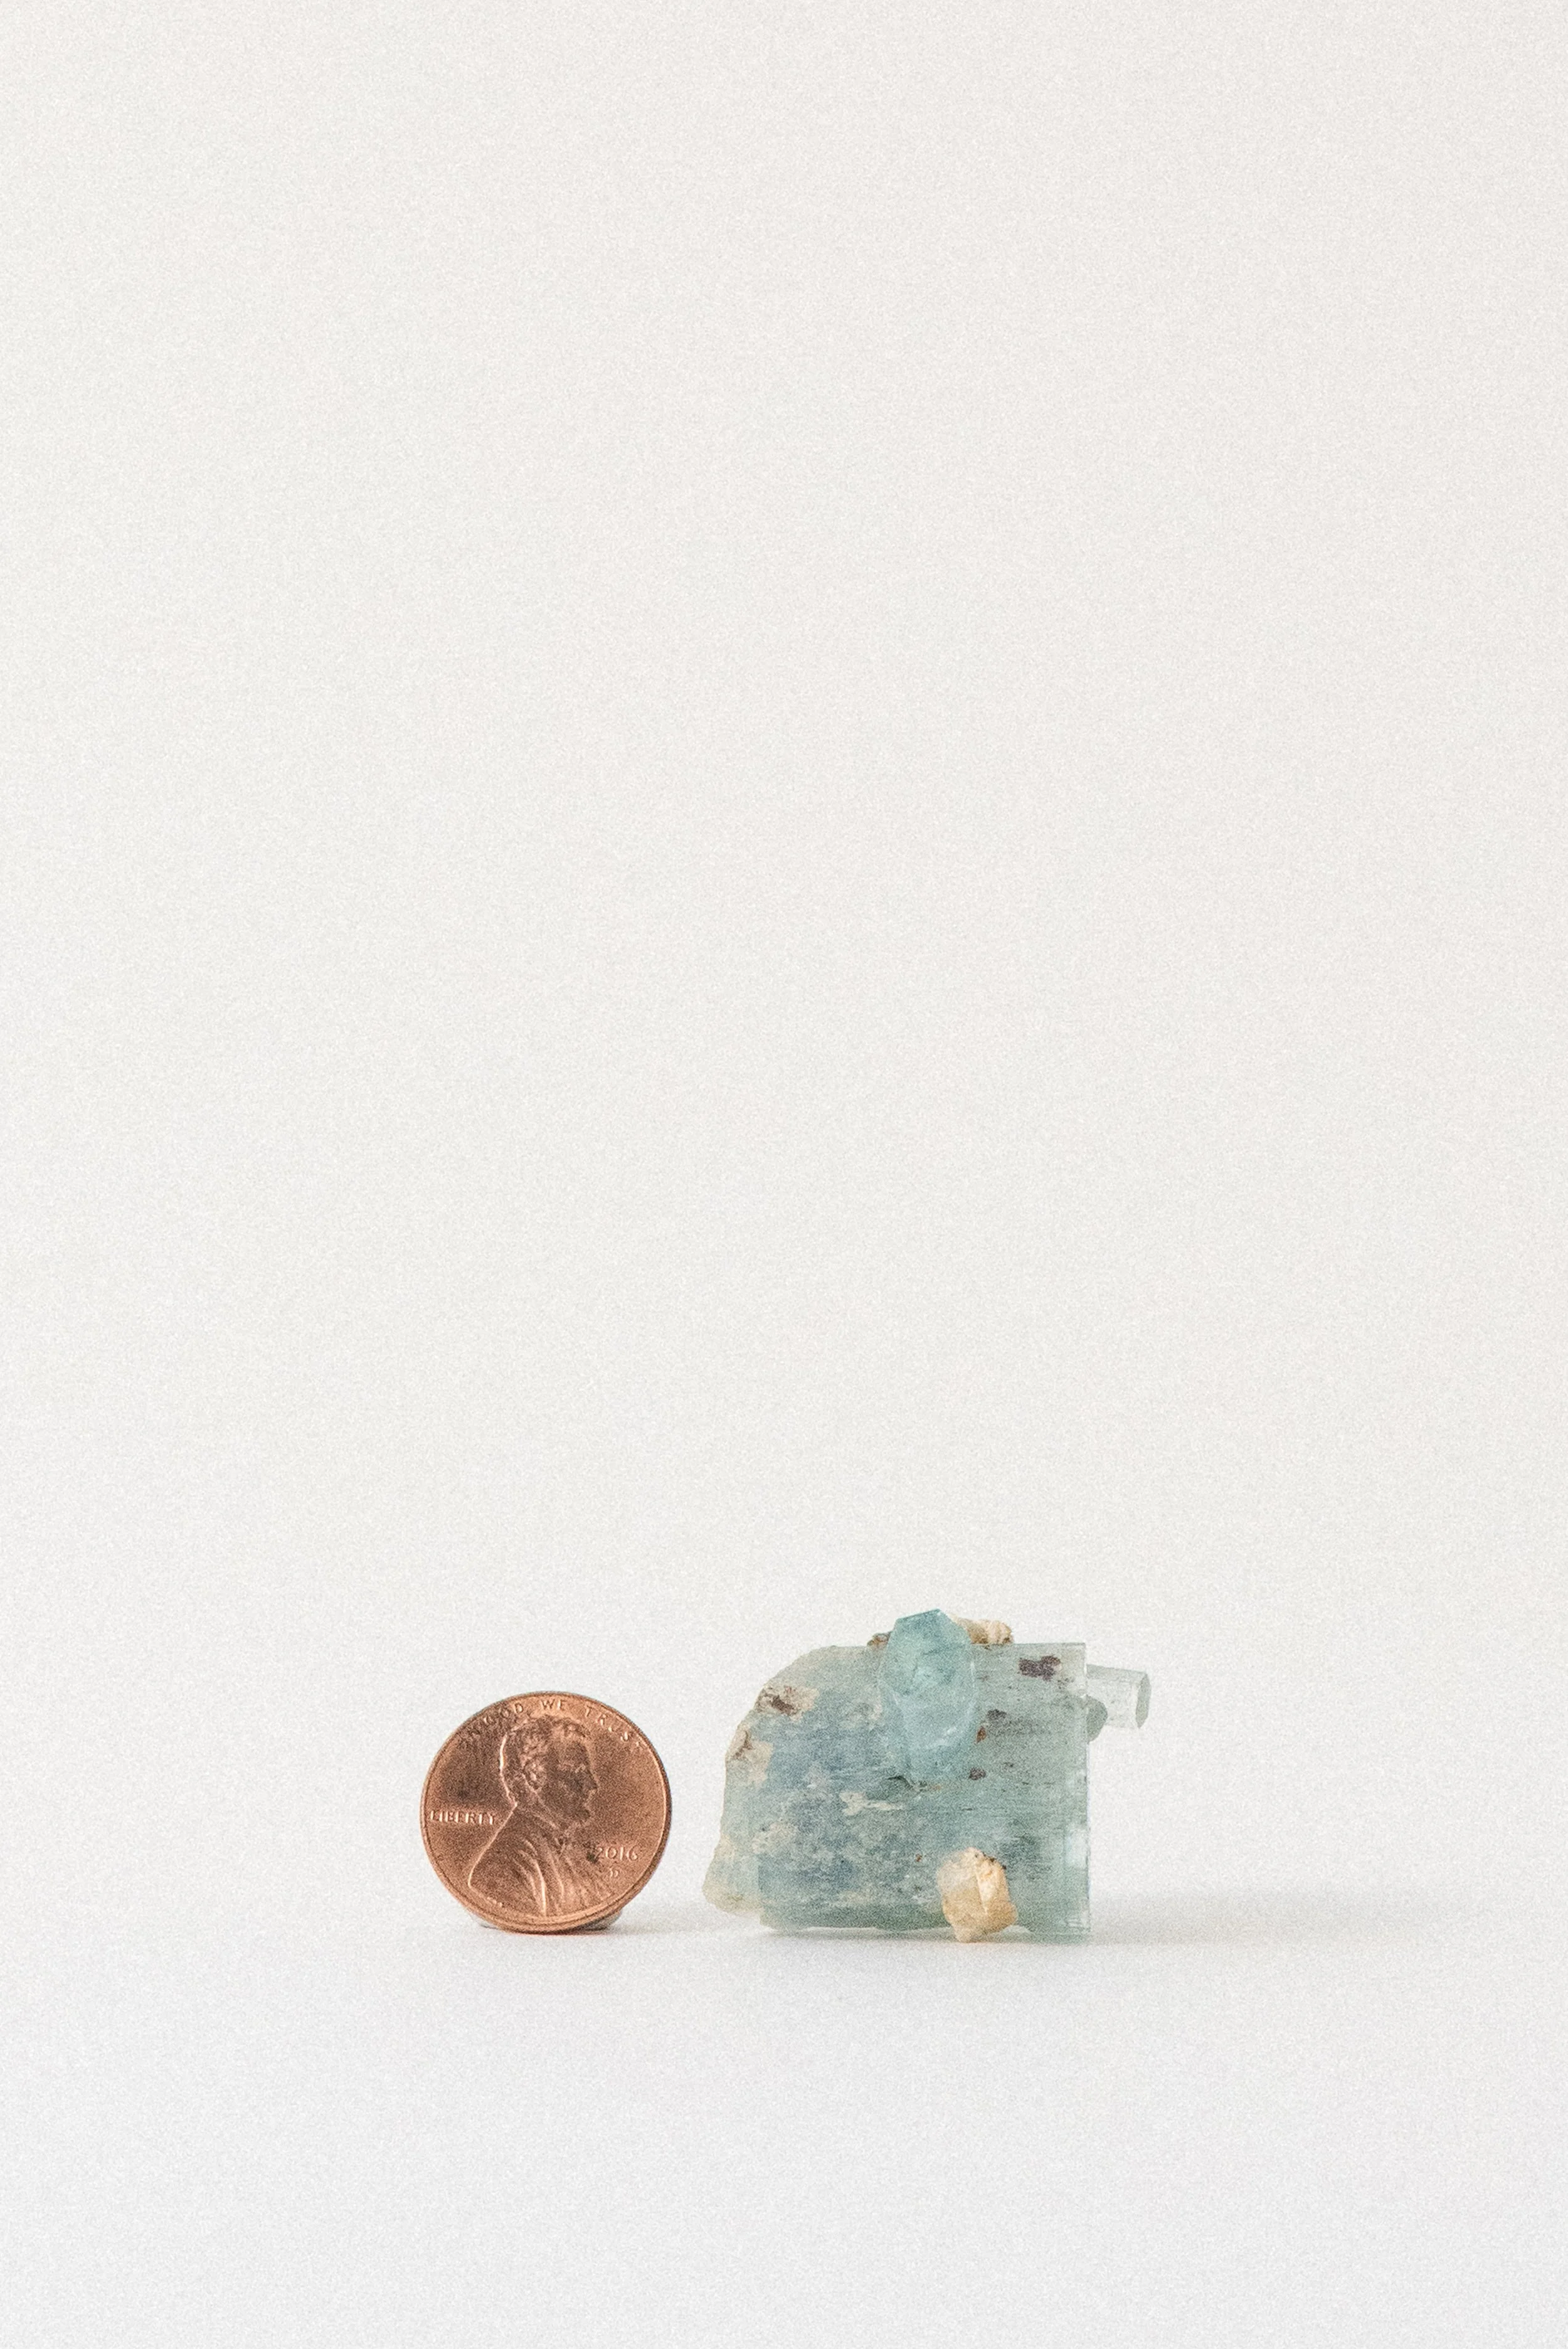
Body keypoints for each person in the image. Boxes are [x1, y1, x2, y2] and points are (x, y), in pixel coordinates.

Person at [468, 1712, 600, 1919]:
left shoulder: (570, 1850)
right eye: (576, 1774)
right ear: (534, 1776)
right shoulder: (502, 1867)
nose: (592, 1785)